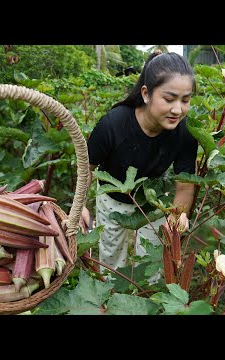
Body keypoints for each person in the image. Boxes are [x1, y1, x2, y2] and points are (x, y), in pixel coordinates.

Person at [82, 51, 198, 276]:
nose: (178, 109)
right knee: (112, 255)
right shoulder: (113, 124)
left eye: (185, 100)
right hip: (112, 197)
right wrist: (80, 207)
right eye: (169, 98)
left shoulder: (185, 133)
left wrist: (178, 215)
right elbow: (88, 167)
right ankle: (112, 299)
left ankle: (145, 299)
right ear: (146, 94)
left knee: (150, 262)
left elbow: (185, 184)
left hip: (151, 199)